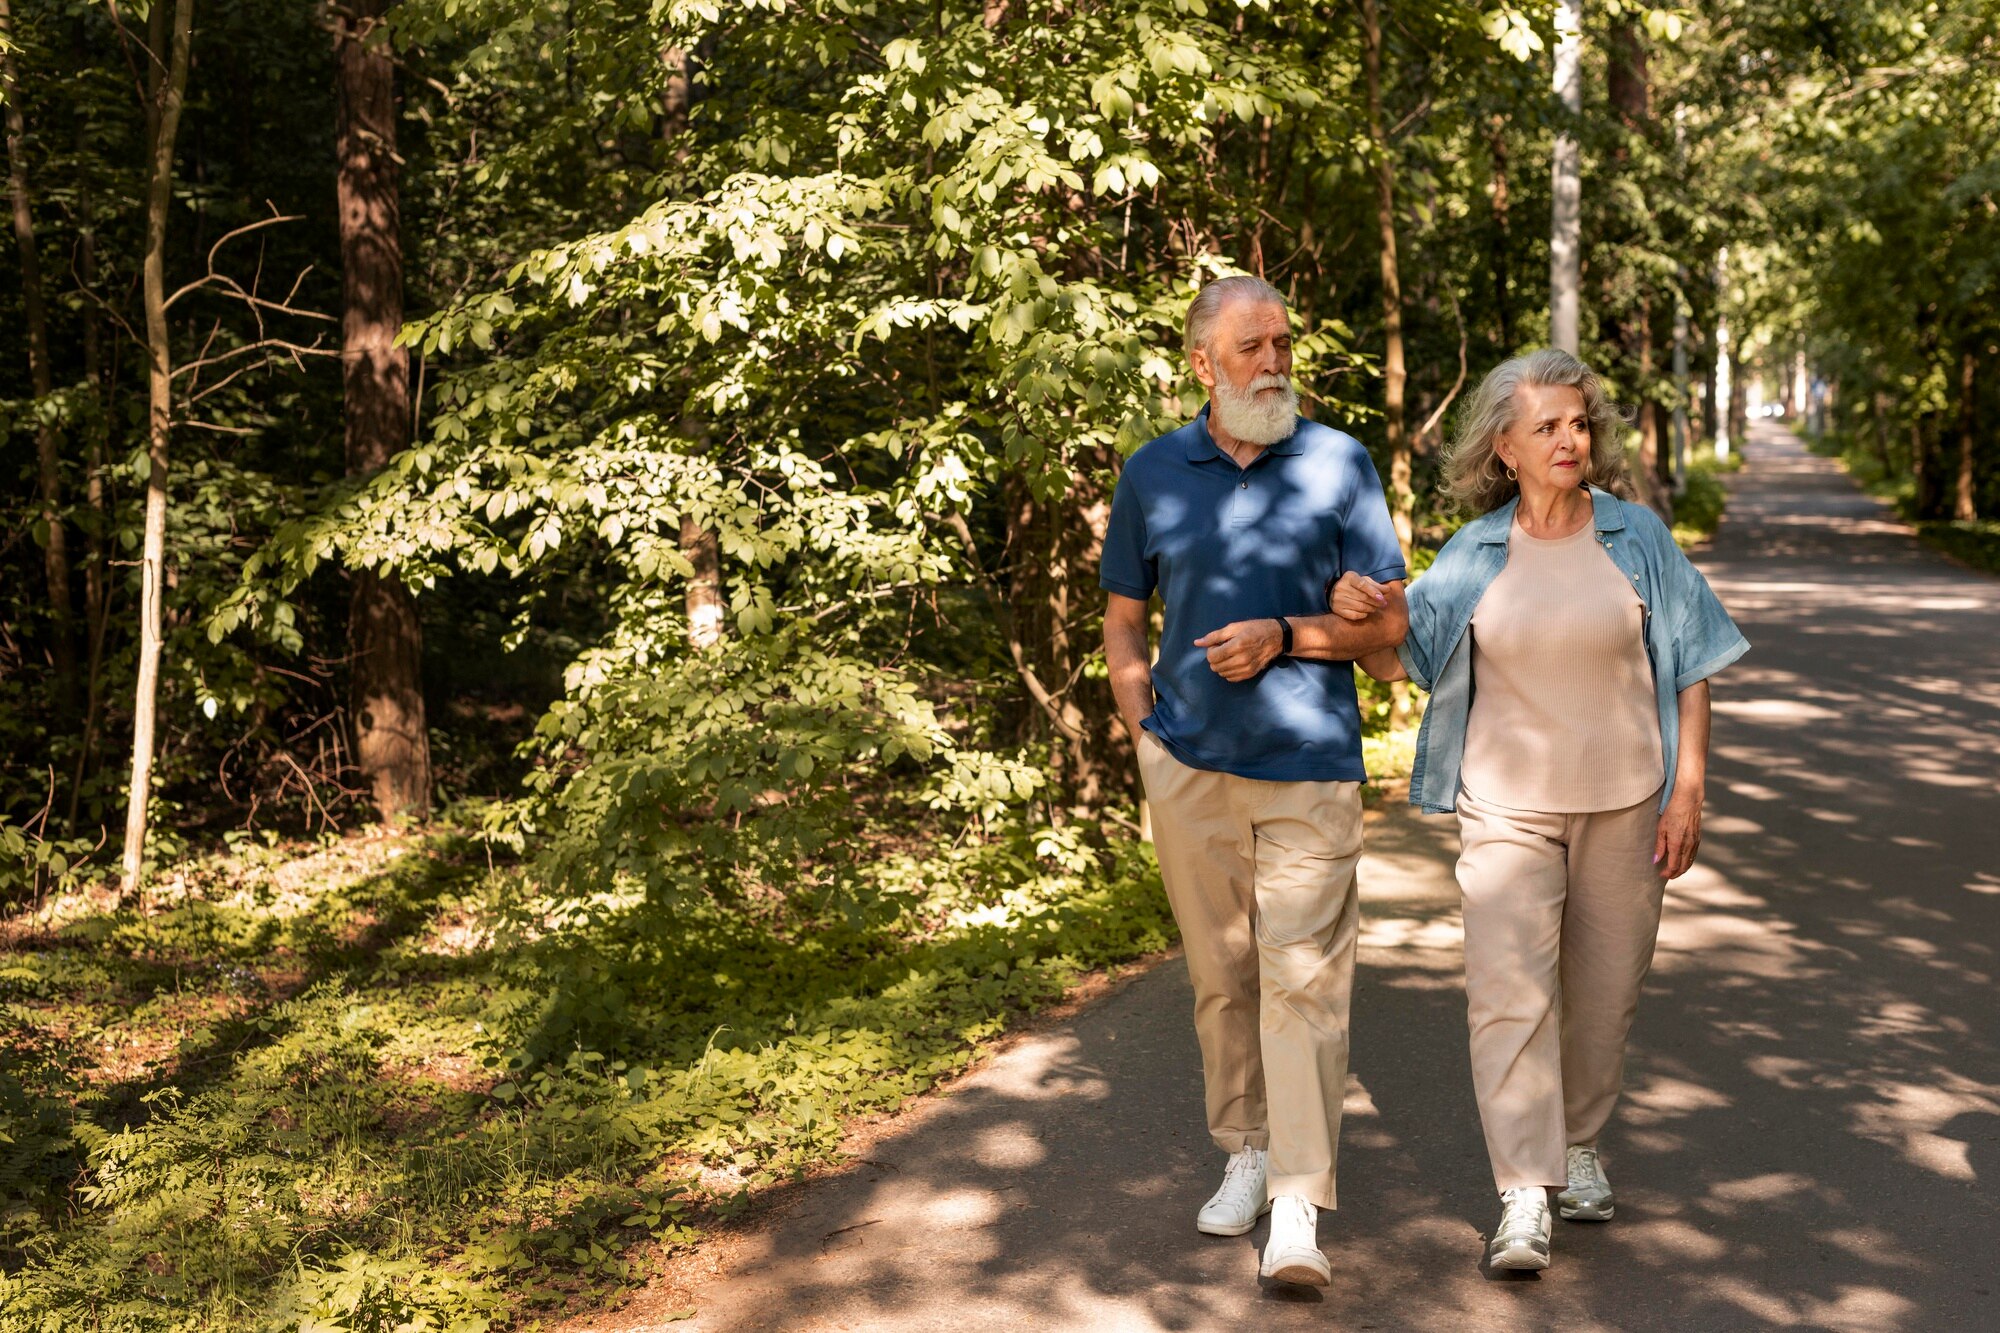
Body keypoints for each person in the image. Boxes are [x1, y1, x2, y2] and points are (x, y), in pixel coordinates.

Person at [1331, 348, 1748, 1272]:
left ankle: (1580, 1143)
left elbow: (1693, 667)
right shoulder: (1476, 551)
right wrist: (1361, 612)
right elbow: (1400, 655)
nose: (1570, 438)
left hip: (1629, 802)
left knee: (1605, 998)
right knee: (1507, 997)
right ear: (1505, 448)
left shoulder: (1636, 536)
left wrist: (1688, 791)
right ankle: (1523, 1190)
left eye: (1579, 422)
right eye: (1548, 426)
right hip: (1507, 810)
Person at [1100, 275, 1410, 1288]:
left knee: (1303, 982)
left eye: (1282, 344)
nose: (1274, 361)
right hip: (1186, 769)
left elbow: (1389, 634)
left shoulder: (1337, 464)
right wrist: (1142, 727)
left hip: (1307, 766)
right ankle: (1244, 1148)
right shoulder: (1152, 472)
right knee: (1221, 977)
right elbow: (1121, 617)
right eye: (1251, 347)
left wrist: (1293, 633)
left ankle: (1295, 1204)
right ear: (1201, 363)